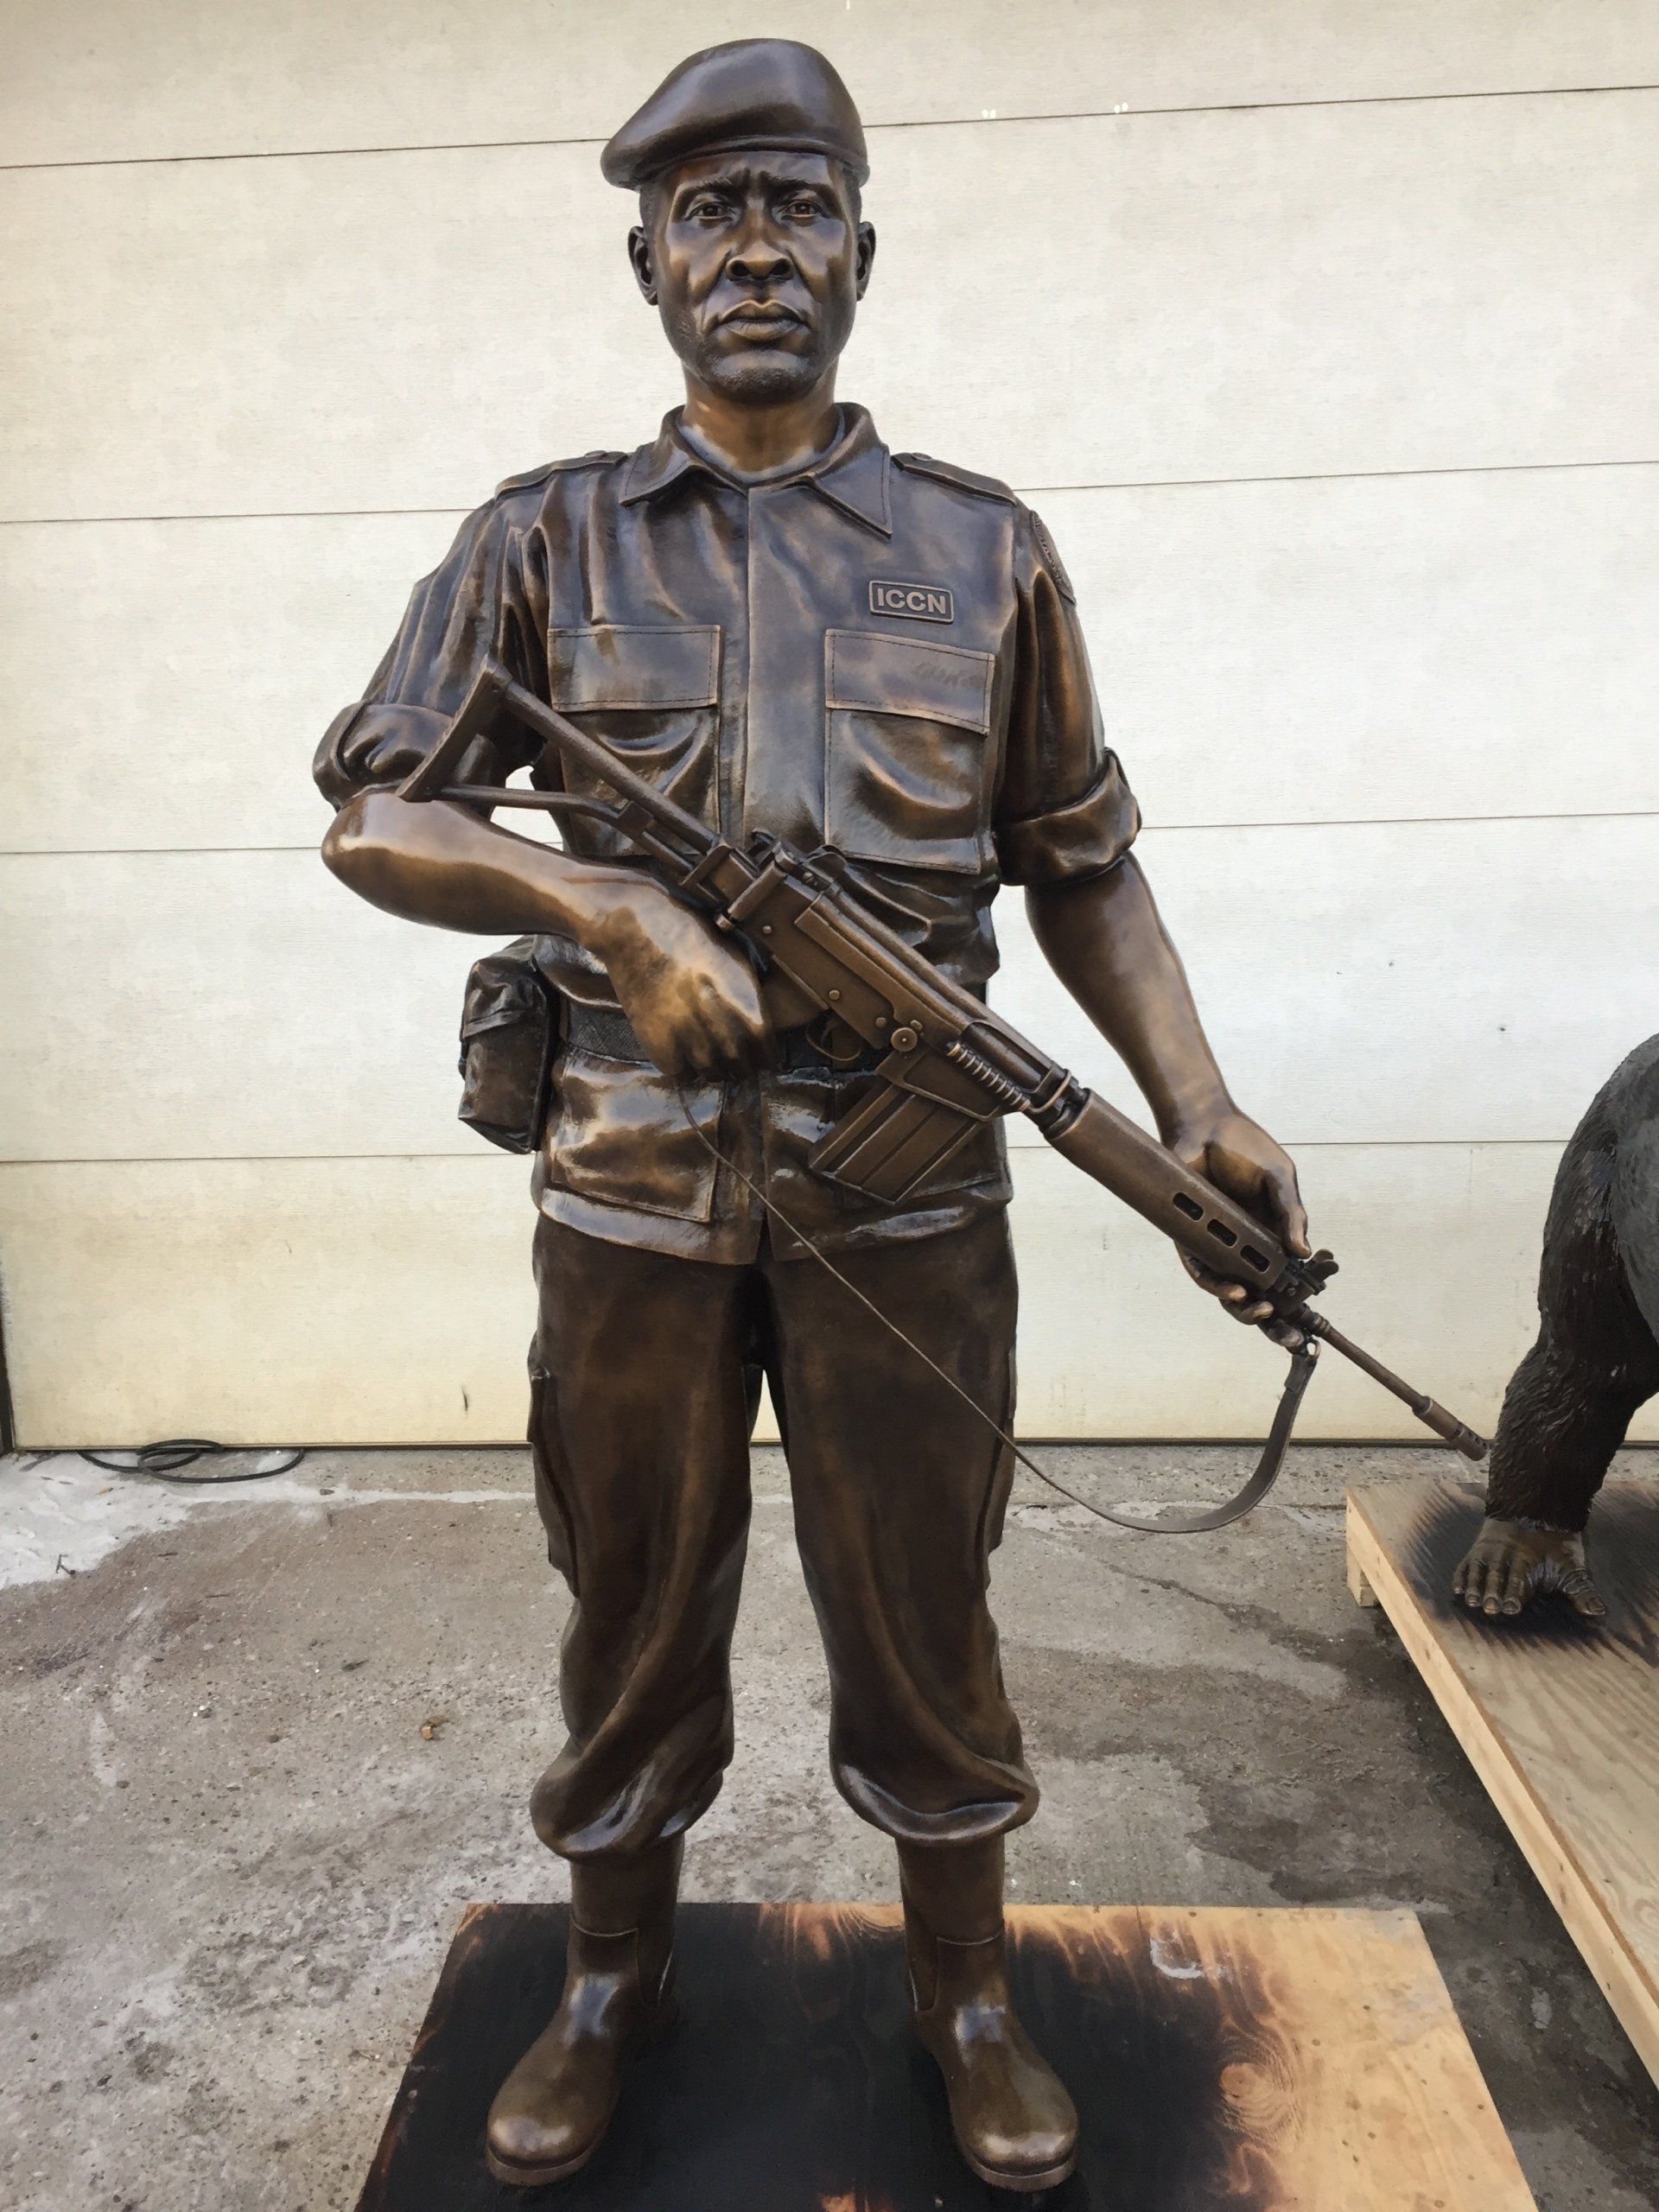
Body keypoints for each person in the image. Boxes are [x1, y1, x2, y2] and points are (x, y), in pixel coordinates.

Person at [315, 38, 1308, 2193]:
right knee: (631, 1608)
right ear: (649, 265)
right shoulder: (539, 539)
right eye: (711, 213)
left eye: (798, 205)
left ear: (864, 248)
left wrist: (1199, 1101)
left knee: (928, 1613)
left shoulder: (984, 548)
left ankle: (966, 1990)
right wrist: (603, 901)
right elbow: (375, 811)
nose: (756, 248)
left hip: (912, 1194)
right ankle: (612, 1978)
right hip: (631, 1190)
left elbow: (1082, 860)